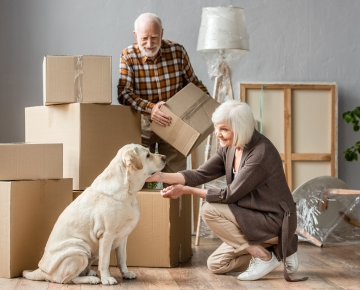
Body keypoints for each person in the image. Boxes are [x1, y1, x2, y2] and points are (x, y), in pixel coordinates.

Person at [146, 100, 307, 282]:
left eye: (224, 129)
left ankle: (263, 257)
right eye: (217, 128)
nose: (218, 134)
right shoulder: (230, 148)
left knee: (209, 209)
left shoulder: (260, 154)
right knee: (216, 265)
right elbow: (200, 174)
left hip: (274, 220)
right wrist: (160, 176)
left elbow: (230, 194)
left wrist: (186, 190)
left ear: (240, 129)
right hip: (250, 217)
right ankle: (279, 250)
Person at [118, 12, 210, 175]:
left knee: (177, 174)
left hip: (174, 120)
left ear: (162, 33)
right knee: (139, 175)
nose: (149, 43)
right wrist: (151, 109)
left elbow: (193, 83)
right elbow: (123, 93)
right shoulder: (128, 55)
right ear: (135, 35)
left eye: (154, 37)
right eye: (144, 38)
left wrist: (212, 106)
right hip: (143, 122)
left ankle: (174, 201)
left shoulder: (177, 51)